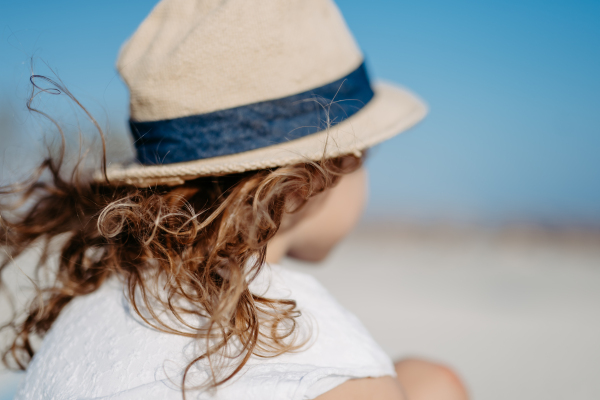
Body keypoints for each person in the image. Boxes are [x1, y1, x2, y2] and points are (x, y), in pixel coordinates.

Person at [0, 0, 469, 399]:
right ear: (304, 185)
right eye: (367, 154)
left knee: (430, 380)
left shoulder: (98, 298)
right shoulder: (331, 359)